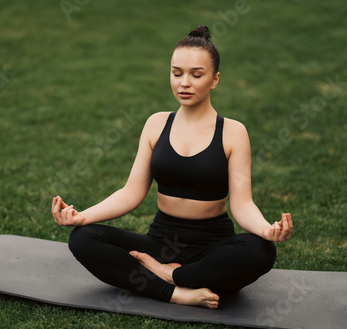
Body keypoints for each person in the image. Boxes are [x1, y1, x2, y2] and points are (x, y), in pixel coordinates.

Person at [51, 25, 293, 310]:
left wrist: (267, 230)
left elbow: (242, 204)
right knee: (83, 239)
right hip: (160, 244)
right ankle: (177, 292)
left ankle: (171, 276)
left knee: (261, 251)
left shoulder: (233, 132)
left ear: (215, 80)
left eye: (196, 74)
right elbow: (131, 192)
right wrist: (82, 217)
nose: (184, 83)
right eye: (176, 73)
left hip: (212, 246)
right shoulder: (156, 124)